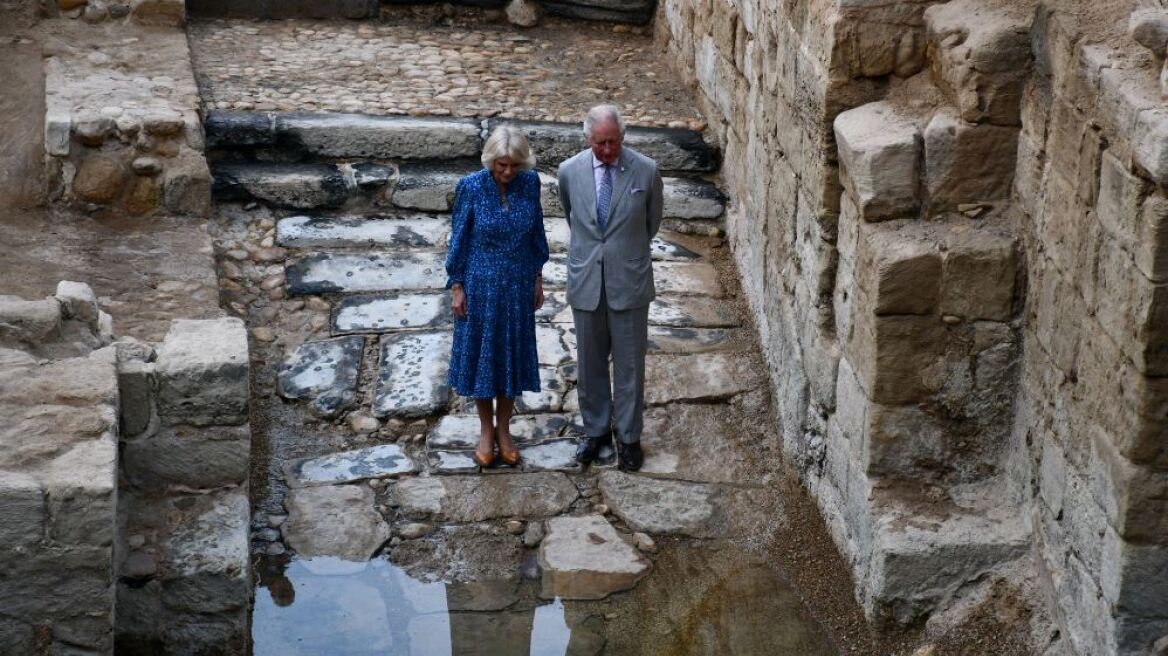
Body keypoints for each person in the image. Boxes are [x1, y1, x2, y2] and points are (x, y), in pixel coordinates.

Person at [557, 105, 664, 471]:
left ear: (623, 137)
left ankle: (630, 438)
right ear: (588, 139)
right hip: (587, 279)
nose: (607, 150)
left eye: (613, 142)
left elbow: (652, 223)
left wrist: (622, 254)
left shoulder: (646, 171)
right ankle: (597, 431)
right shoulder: (569, 171)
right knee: (589, 363)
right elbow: (572, 215)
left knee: (631, 365)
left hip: (629, 281)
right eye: (600, 143)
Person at [445, 125, 549, 468]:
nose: (507, 172)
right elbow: (458, 238)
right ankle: (485, 430)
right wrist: (457, 286)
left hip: (518, 284)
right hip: (481, 285)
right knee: (484, 359)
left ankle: (504, 429)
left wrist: (537, 277)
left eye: (514, 165)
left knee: (510, 358)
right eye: (501, 165)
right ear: (491, 160)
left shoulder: (531, 184)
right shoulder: (471, 187)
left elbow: (536, 234)